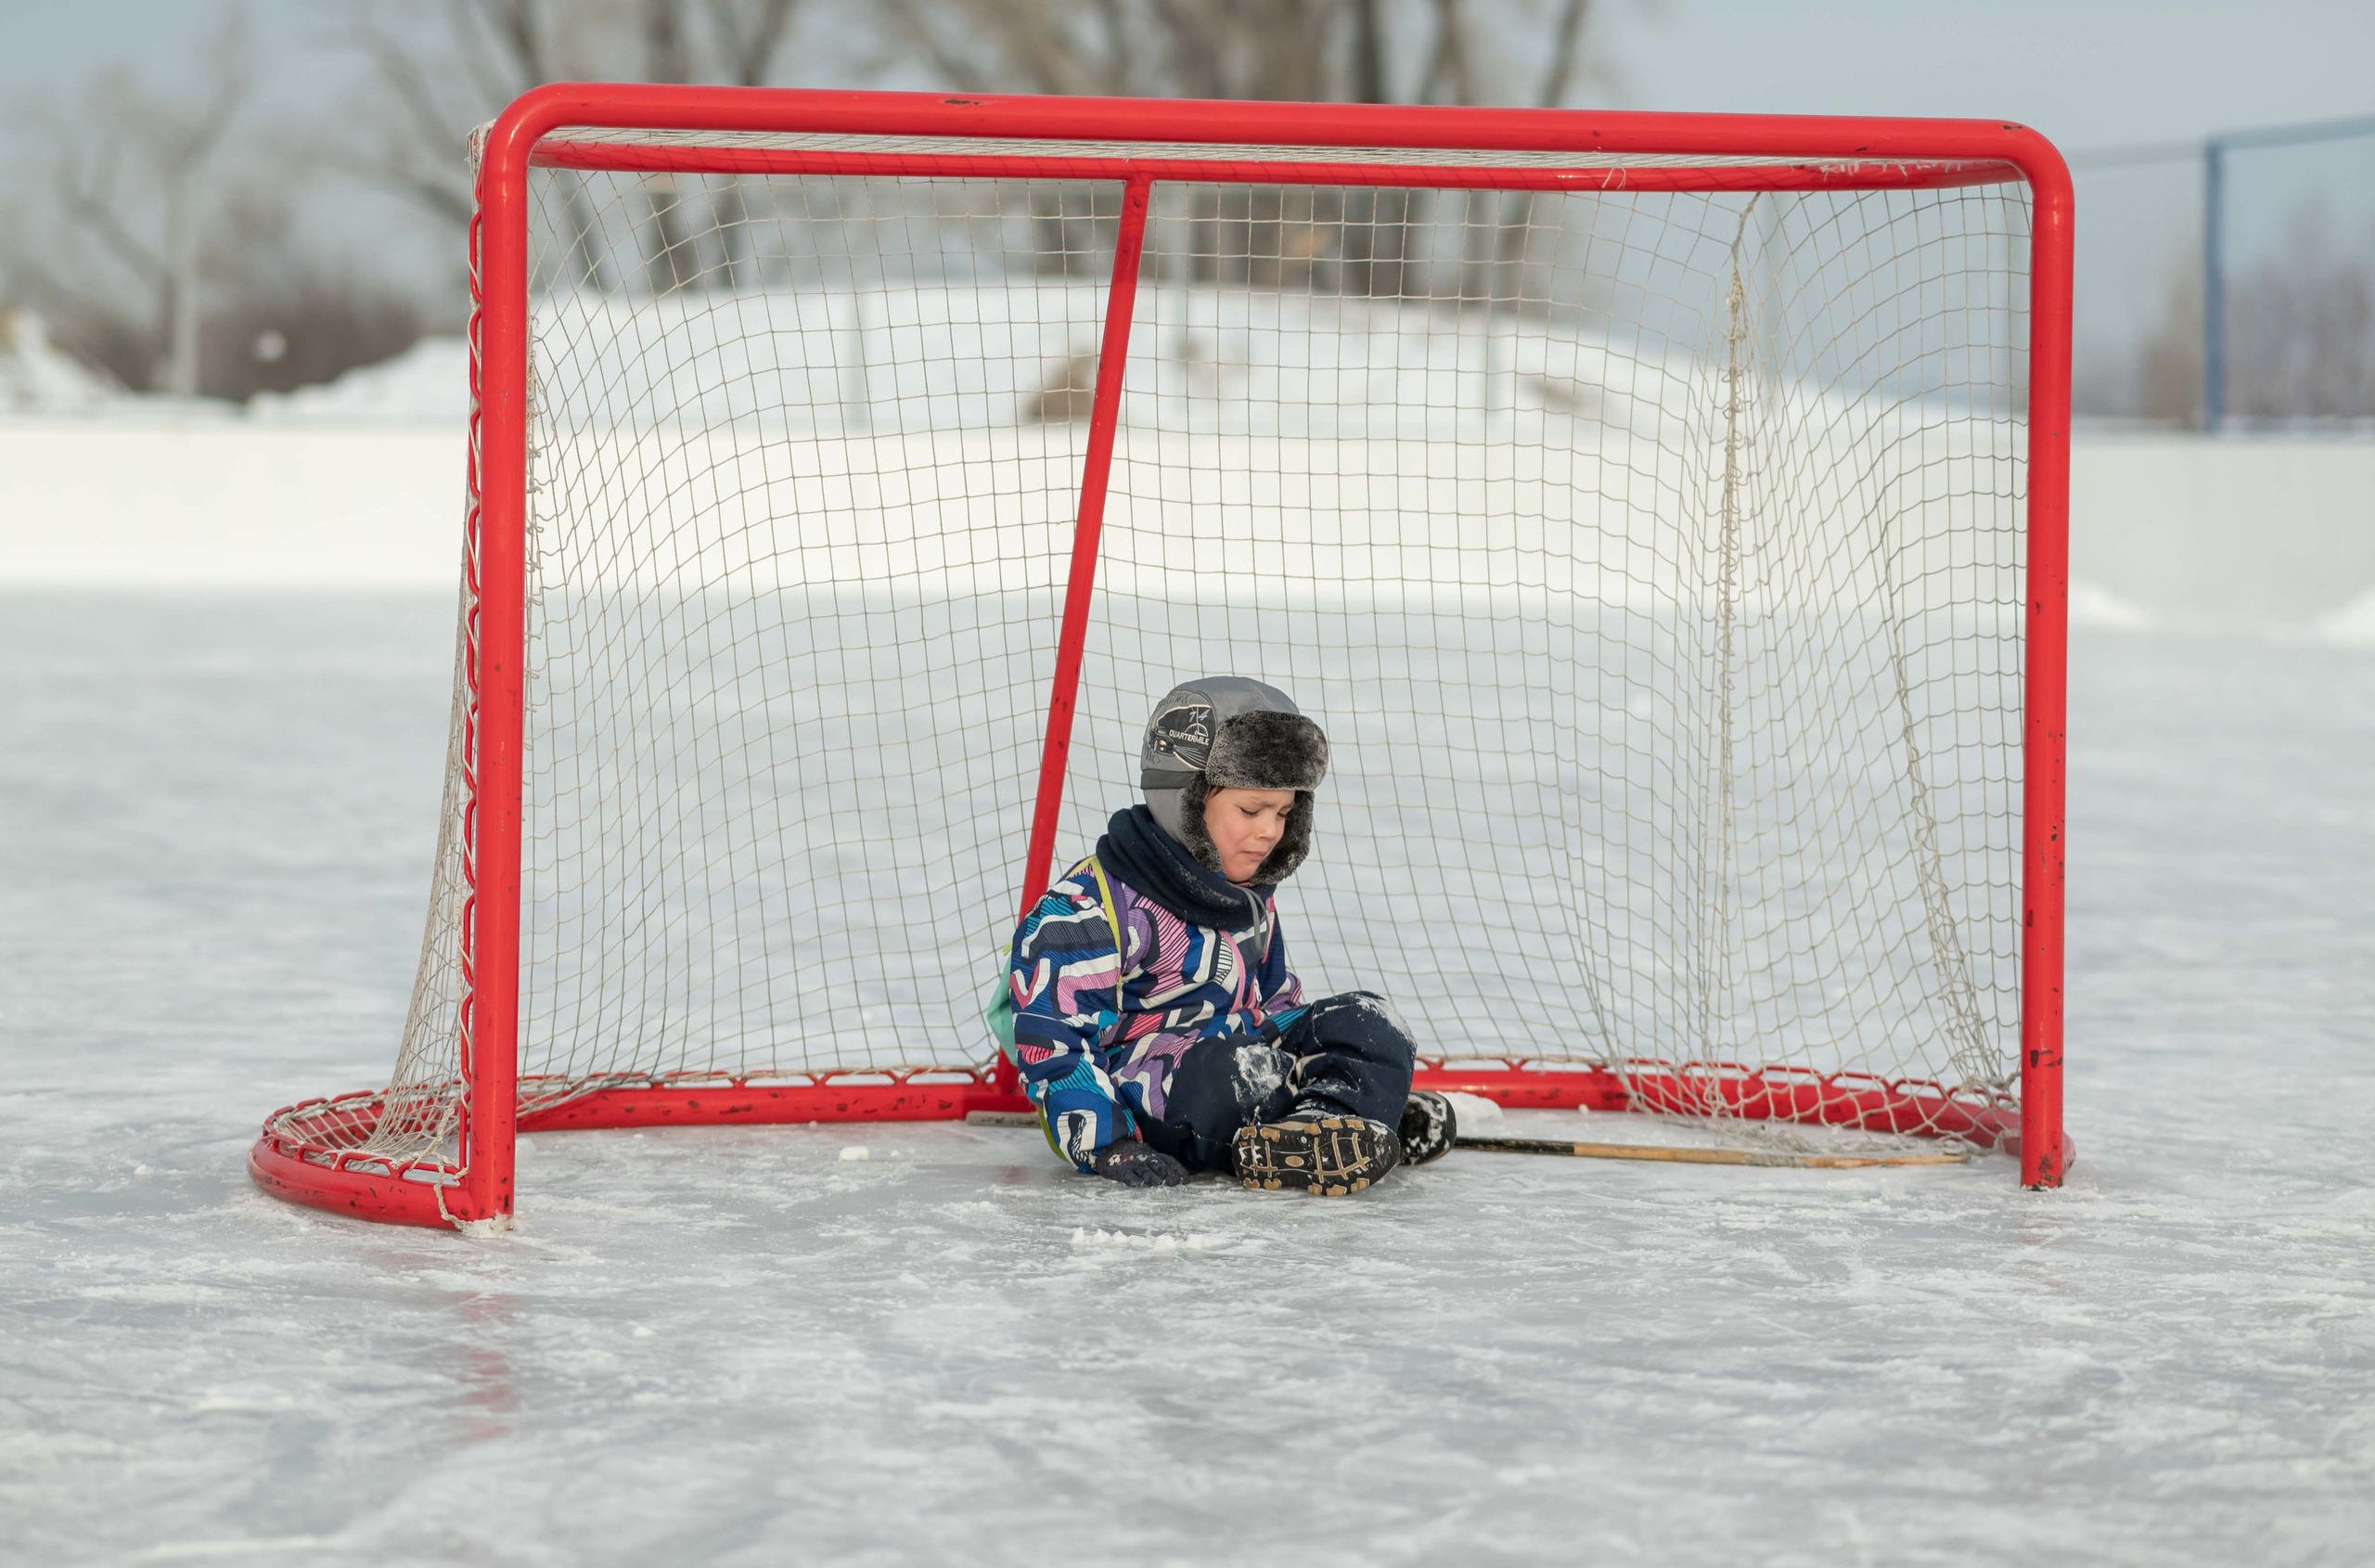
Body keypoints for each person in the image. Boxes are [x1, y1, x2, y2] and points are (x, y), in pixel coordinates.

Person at [1002, 677, 1456, 1194]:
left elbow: (1278, 1001)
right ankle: (1349, 1114)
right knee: (1242, 1075)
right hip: (1160, 1092)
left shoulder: (1246, 894)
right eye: (1251, 811)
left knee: (1370, 1020)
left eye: (1284, 813)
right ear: (1187, 801)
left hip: (1246, 1056)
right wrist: (1111, 1144)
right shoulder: (1090, 907)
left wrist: (1330, 1045)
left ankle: (1331, 1123)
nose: (1270, 832)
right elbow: (1053, 1044)